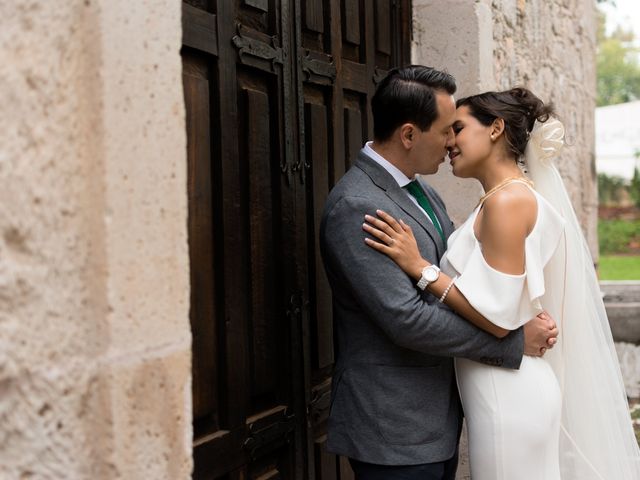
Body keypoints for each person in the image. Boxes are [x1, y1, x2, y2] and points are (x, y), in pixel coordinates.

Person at [364, 87, 640, 478]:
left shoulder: (507, 203)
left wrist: (420, 268)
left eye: (457, 128)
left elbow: (497, 317)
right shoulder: (504, 198)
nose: (449, 141)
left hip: (508, 391)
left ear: (495, 129)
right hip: (504, 385)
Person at [319, 66, 558, 480]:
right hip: (394, 427)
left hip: (437, 420)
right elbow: (407, 319)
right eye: (446, 129)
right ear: (409, 135)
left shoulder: (422, 191)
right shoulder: (357, 205)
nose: (452, 142)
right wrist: (513, 341)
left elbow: (463, 280)